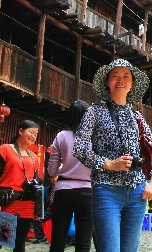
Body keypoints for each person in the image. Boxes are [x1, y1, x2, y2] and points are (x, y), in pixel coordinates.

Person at [73, 58, 152, 252]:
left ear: (131, 84)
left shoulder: (137, 117)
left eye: (126, 76)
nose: (120, 80)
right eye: (115, 76)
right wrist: (108, 164)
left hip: (138, 194)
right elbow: (79, 147)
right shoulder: (94, 112)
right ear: (107, 82)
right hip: (106, 191)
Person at [0, 119, 41, 252]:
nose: (33, 136)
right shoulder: (5, 150)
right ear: (20, 131)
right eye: (31, 132)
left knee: (20, 243)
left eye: (36, 134)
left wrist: (38, 209)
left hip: (28, 203)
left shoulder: (34, 157)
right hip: (9, 201)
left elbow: (36, 182)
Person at [47, 99, 94, 252]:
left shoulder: (61, 136)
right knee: (83, 242)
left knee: (58, 240)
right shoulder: (94, 137)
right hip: (88, 191)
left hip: (63, 190)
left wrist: (54, 175)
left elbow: (52, 168)